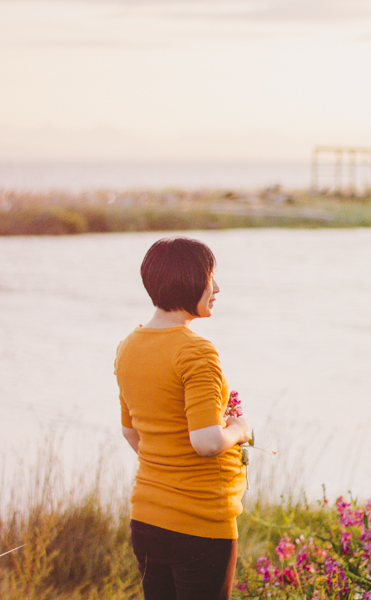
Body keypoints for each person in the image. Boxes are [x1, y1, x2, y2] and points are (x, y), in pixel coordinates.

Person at [115, 237, 252, 600]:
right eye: (211, 278)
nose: (217, 288)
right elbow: (206, 441)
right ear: (189, 280)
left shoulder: (129, 346)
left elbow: (131, 432)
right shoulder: (196, 351)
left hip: (147, 518)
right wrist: (239, 429)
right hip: (200, 524)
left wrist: (167, 468)